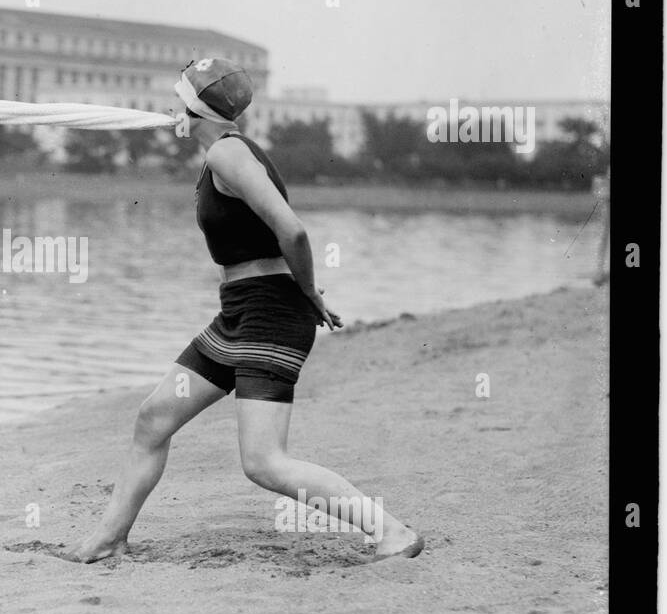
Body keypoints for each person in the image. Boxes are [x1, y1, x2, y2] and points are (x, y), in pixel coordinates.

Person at [68, 58, 424, 564]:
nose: (171, 107)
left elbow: (293, 230)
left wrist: (312, 292)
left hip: (270, 314)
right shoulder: (226, 153)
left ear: (195, 106)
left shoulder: (228, 156)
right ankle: (108, 539)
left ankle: (391, 532)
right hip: (238, 314)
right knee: (153, 419)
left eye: (178, 97)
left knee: (263, 462)